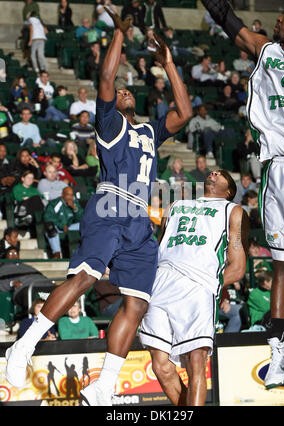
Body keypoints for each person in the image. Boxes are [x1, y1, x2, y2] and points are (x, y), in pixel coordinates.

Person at [5, 10, 192, 406]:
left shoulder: (147, 131)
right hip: (110, 203)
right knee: (86, 279)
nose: (123, 91)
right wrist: (120, 34)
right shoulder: (111, 125)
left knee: (138, 301)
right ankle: (24, 344)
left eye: (128, 91)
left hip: (141, 217)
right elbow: (106, 78)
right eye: (120, 92)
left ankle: (103, 384)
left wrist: (170, 63)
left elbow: (185, 112)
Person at [200, 0, 284, 389]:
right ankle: (279, 344)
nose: (279, 19)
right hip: (283, 168)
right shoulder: (267, 50)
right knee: (283, 263)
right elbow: (233, 25)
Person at [139, 170, 249, 405]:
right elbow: (161, 246)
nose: (214, 172)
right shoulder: (177, 204)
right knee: (159, 364)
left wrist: (213, 286)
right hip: (162, 280)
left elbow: (238, 267)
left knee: (196, 360)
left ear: (229, 191)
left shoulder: (232, 210)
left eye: (221, 174)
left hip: (198, 285)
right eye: (213, 171)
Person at [44, 186, 84, 259]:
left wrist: (74, 208)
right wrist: (62, 225)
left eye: (72, 195)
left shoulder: (74, 203)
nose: (70, 197)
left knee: (85, 225)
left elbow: (81, 218)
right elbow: (48, 217)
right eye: (68, 194)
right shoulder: (55, 203)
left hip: (70, 227)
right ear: (62, 195)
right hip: (58, 227)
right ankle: (57, 253)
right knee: (50, 228)